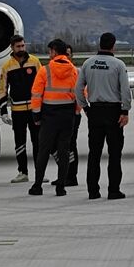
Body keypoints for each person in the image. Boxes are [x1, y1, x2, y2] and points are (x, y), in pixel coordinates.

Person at [75, 32, 132, 200]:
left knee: (94, 154)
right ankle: (114, 190)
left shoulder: (88, 63)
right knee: (114, 154)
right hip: (113, 112)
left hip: (95, 111)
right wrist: (125, 110)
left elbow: (78, 89)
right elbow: (125, 90)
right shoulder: (118, 65)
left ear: (100, 44)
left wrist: (85, 107)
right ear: (113, 45)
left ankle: (93, 191)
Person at [28, 39, 81, 197]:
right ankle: (61, 187)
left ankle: (37, 186)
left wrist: (36, 115)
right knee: (64, 151)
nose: (49, 54)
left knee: (43, 151)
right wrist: (76, 112)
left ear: (55, 52)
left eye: (50, 51)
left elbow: (36, 94)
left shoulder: (45, 70)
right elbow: (81, 94)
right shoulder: (75, 71)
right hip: (67, 115)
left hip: (49, 115)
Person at [0, 35, 41, 183]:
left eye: (23, 45)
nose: (21, 48)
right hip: (18, 110)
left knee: (38, 141)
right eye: (18, 46)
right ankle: (23, 172)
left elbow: (43, 83)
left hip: (34, 110)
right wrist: (3, 111)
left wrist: (43, 107)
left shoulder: (35, 62)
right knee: (20, 143)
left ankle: (40, 172)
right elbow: (2, 89)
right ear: (12, 48)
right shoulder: (7, 66)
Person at [51, 41, 81, 187]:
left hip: (72, 114)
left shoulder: (76, 71)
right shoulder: (51, 70)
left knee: (70, 145)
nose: (66, 57)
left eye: (68, 54)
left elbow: (81, 93)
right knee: (56, 145)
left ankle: (71, 176)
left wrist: (77, 110)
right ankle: (63, 174)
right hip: (57, 113)